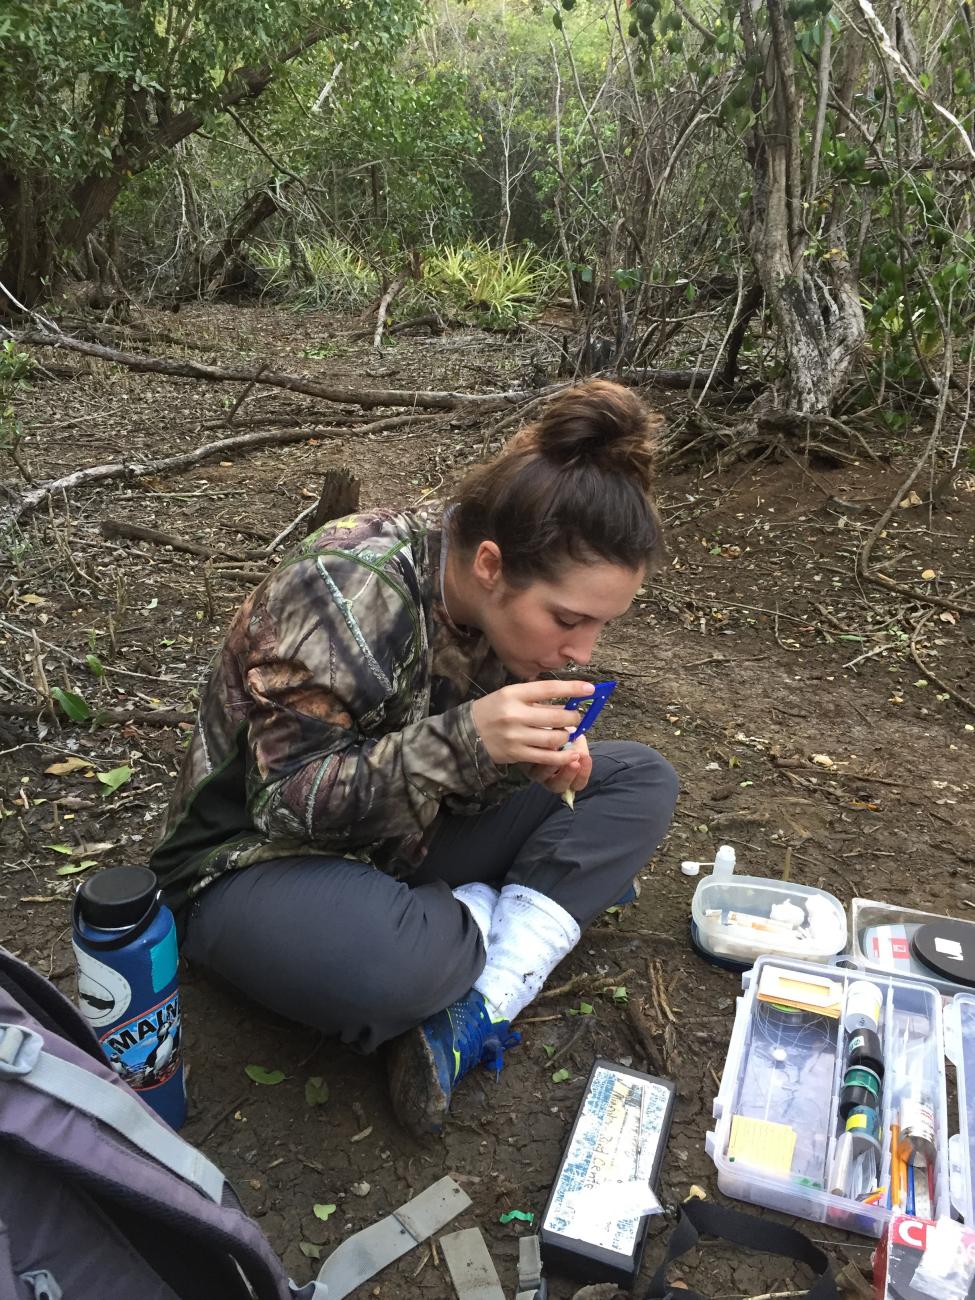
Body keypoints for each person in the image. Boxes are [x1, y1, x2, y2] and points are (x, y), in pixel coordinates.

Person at [149, 380, 679, 1137]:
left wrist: (519, 761)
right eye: (567, 620)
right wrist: (469, 741)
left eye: (598, 626)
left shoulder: (489, 608)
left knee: (637, 780)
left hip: (397, 837)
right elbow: (286, 801)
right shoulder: (346, 588)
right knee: (393, 969)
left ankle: (480, 989)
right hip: (248, 863)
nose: (581, 653)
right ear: (491, 566)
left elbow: (455, 786)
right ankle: (495, 922)